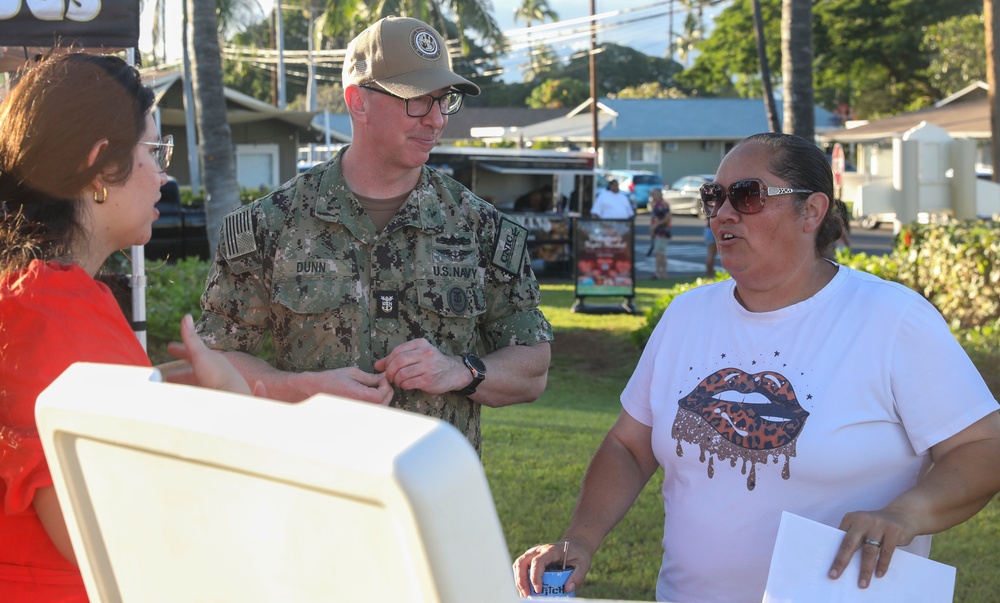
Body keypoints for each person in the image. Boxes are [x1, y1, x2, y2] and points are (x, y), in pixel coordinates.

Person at [513, 132, 1000, 603]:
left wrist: (906, 514)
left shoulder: (893, 319)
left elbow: (982, 447)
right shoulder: (687, 315)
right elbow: (629, 446)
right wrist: (580, 538)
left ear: (811, 211)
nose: (723, 213)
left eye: (747, 196)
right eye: (714, 197)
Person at [196, 17, 553, 454]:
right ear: (358, 102)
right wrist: (300, 388)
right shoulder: (269, 225)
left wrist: (462, 371)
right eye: (418, 101)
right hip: (316, 494)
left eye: (444, 101)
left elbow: (533, 367)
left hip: (439, 498)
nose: (437, 119)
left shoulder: (481, 228)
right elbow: (213, 360)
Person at [0, 52, 252, 601]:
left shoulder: (33, 299)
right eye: (155, 151)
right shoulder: (58, 319)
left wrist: (155, 399)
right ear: (100, 165)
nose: (165, 176)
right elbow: (122, 543)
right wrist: (233, 414)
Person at [647, 188, 671, 279]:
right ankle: (659, 272)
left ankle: (661, 273)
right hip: (657, 232)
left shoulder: (663, 205)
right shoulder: (655, 205)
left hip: (662, 232)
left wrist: (656, 225)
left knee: (660, 253)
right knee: (658, 253)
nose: (652, 196)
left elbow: (667, 218)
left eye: (654, 194)